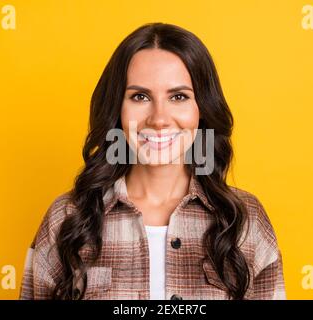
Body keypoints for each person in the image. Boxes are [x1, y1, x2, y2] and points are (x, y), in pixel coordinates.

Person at [19, 22, 286, 300]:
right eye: (140, 96)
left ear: (202, 110)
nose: (158, 119)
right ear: (117, 110)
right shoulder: (66, 218)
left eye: (179, 96)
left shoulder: (245, 219)